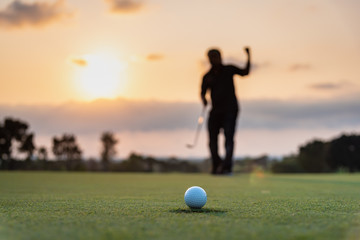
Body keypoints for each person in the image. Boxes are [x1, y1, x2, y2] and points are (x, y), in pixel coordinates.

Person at [201, 47, 251, 175]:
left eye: (216, 57)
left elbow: (245, 72)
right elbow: (202, 92)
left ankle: (226, 167)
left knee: (229, 139)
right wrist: (204, 100)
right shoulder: (207, 76)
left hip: (230, 110)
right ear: (209, 59)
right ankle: (216, 165)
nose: (214, 60)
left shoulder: (229, 69)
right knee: (212, 141)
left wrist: (248, 56)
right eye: (211, 58)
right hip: (215, 111)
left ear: (220, 57)